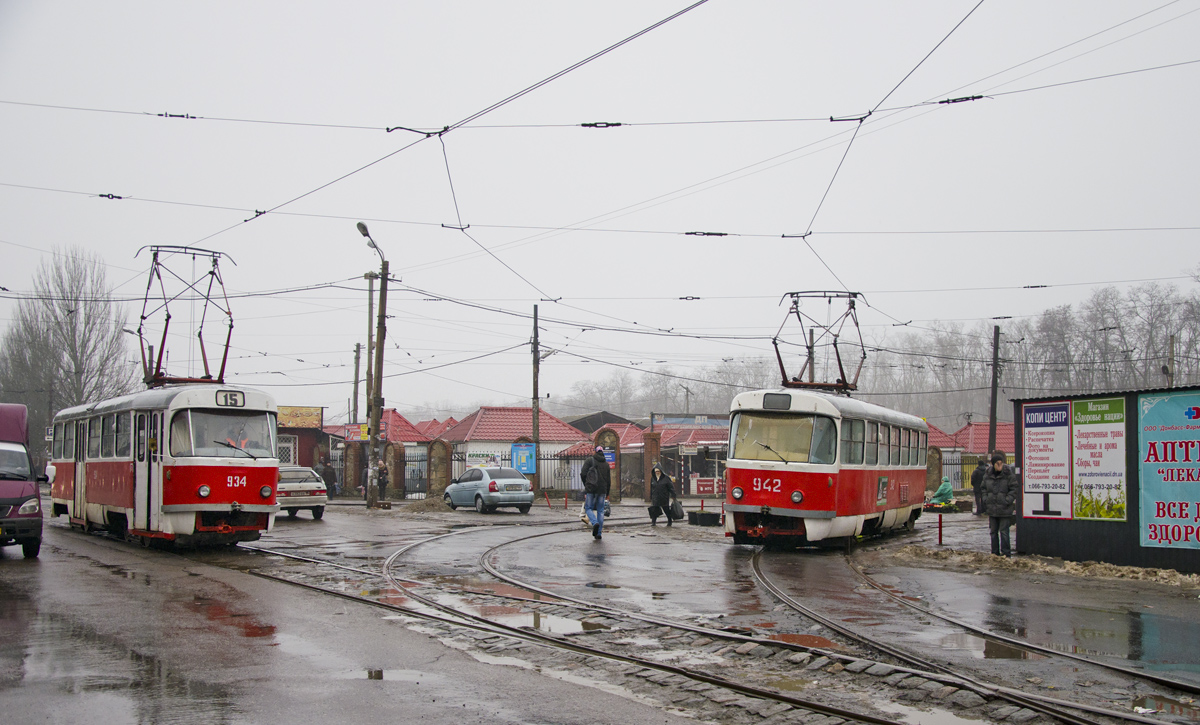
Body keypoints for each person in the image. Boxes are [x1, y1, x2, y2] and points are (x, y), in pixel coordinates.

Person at [980, 452, 1018, 557]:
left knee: (1004, 532)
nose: (999, 466)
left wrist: (1007, 500)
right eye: (997, 463)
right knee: (993, 532)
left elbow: (1014, 488)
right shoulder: (987, 475)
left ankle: (1006, 553)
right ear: (993, 464)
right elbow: (983, 488)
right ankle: (995, 553)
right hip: (992, 508)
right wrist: (986, 499)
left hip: (1004, 509)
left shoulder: (1008, 475)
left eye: (1001, 463)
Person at [579, 446, 611, 540]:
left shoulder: (590, 461)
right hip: (602, 491)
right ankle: (599, 533)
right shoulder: (606, 464)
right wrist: (607, 492)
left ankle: (594, 522)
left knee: (588, 508)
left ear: (595, 452)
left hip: (591, 489)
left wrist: (586, 484)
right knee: (600, 511)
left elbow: (583, 473)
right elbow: (608, 480)